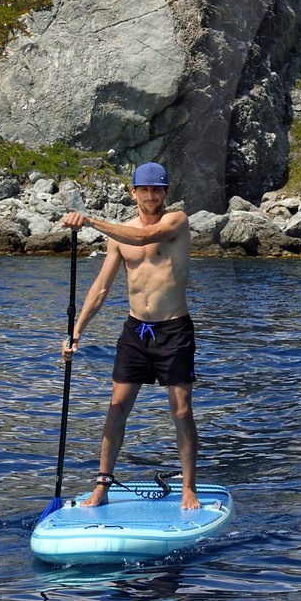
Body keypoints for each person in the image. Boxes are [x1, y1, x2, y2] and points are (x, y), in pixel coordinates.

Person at [60, 162, 201, 510]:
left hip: (174, 330)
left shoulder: (177, 221)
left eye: (157, 190)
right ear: (133, 192)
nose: (151, 196)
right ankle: (102, 486)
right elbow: (101, 288)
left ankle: (188, 488)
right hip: (135, 331)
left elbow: (141, 238)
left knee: (181, 410)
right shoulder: (119, 236)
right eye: (145, 190)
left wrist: (90, 221)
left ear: (165, 192)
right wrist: (76, 331)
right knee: (116, 407)